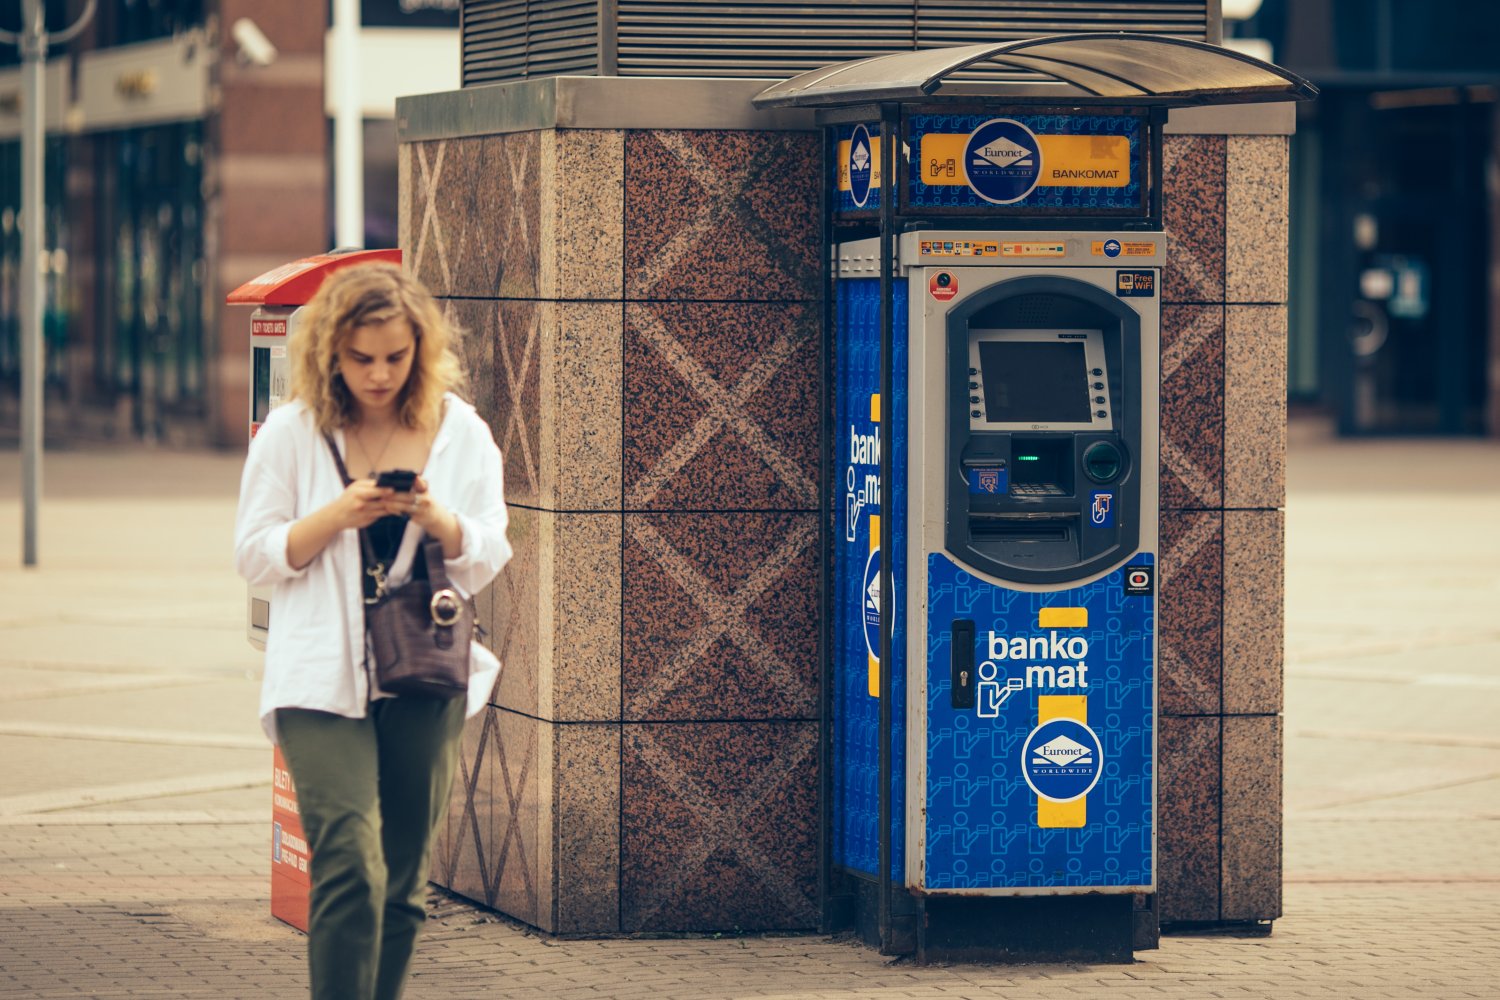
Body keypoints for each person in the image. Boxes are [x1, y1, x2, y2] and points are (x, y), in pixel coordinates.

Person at [234, 262, 510, 1000]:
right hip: (317, 677)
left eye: (396, 356)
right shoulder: (295, 434)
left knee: (402, 881)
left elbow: (488, 550)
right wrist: (338, 514)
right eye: (361, 359)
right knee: (350, 864)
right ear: (330, 351)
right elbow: (255, 554)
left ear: (421, 348)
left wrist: (437, 520)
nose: (380, 374)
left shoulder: (460, 433)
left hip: (422, 671)